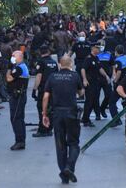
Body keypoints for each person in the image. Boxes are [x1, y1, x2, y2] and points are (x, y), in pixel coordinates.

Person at [42, 55, 84, 184]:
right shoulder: (75, 76)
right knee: (74, 143)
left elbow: (45, 96)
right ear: (70, 63)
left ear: (60, 64)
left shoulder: (53, 77)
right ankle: (68, 167)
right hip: (71, 113)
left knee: (60, 145)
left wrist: (44, 114)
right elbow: (81, 92)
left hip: (57, 114)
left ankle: (64, 175)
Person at [81, 43, 111, 126]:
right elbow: (83, 69)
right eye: (97, 48)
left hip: (96, 83)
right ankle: (85, 119)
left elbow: (100, 68)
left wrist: (106, 76)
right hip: (90, 83)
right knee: (89, 101)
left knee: (94, 100)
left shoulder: (96, 58)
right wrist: (84, 79)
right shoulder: (88, 58)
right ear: (93, 48)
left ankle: (87, 118)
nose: (98, 50)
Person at [32, 45, 59, 137]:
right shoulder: (54, 63)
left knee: (41, 108)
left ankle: (42, 130)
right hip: (53, 89)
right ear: (48, 52)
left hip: (44, 89)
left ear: (40, 52)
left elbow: (39, 76)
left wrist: (34, 89)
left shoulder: (41, 62)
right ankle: (49, 129)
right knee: (50, 109)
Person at [6, 50, 29, 150]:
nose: (12, 57)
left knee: (16, 118)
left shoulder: (19, 68)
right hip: (17, 95)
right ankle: (20, 140)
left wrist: (8, 69)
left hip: (18, 96)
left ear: (19, 57)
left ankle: (20, 141)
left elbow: (9, 78)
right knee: (18, 118)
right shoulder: (20, 66)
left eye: (13, 55)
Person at [108, 45, 126, 126]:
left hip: (120, 85)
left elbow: (119, 72)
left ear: (116, 52)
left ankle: (116, 120)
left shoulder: (118, 61)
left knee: (111, 102)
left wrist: (115, 80)